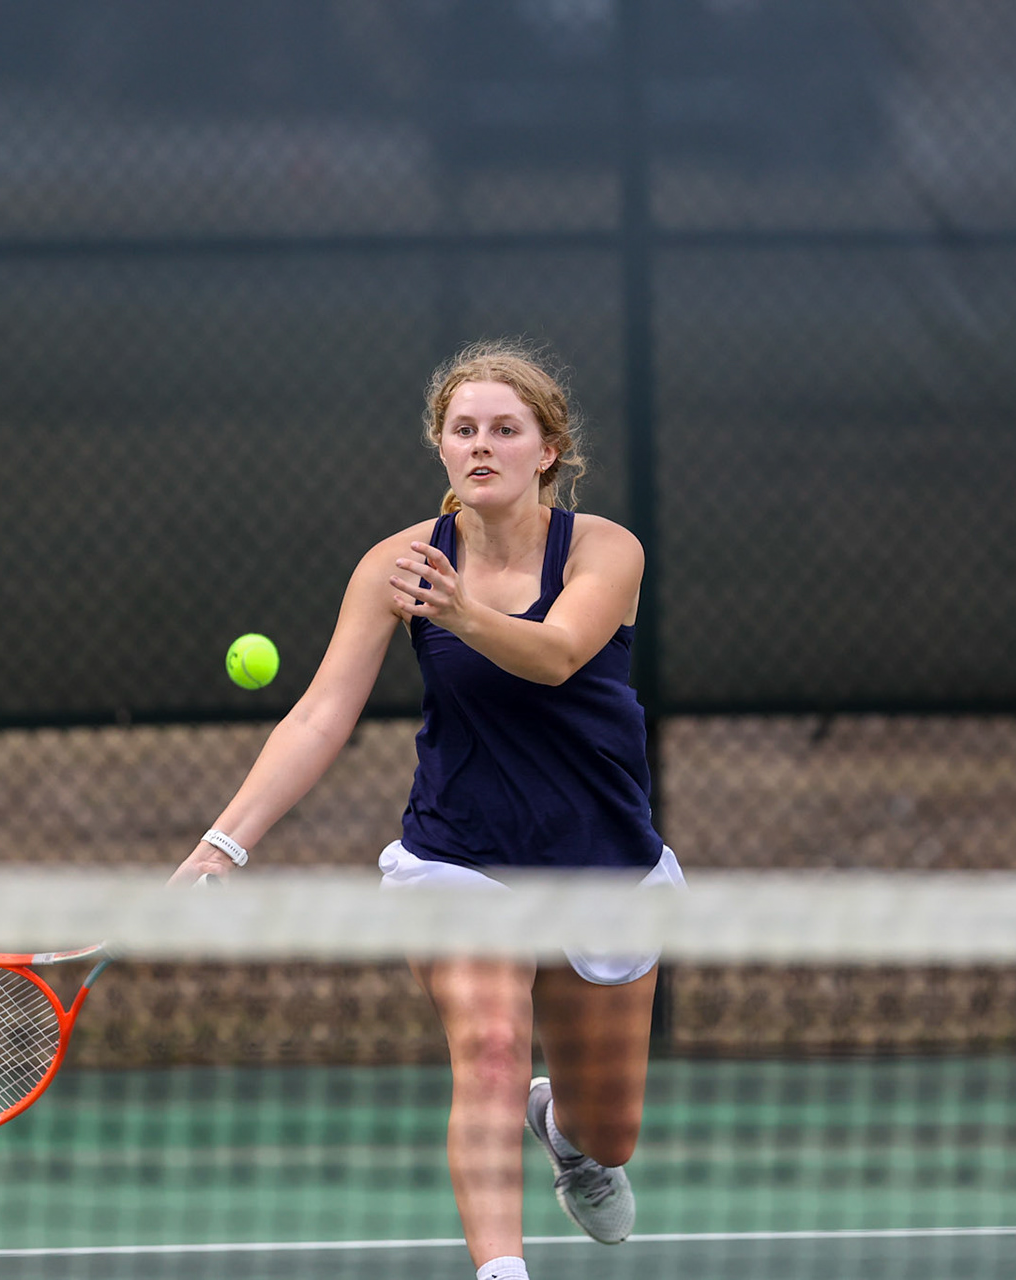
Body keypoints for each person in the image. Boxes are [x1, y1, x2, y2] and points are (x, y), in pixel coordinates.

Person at [170, 340, 682, 1280]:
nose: (482, 445)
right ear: (441, 447)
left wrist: (458, 615)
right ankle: (501, 1272)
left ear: (548, 450)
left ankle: (569, 1137)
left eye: (506, 429)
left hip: (602, 857)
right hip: (459, 855)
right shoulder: (398, 565)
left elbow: (557, 653)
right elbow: (321, 714)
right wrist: (221, 845)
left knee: (610, 1132)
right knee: (490, 1048)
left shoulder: (604, 549)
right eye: (463, 429)